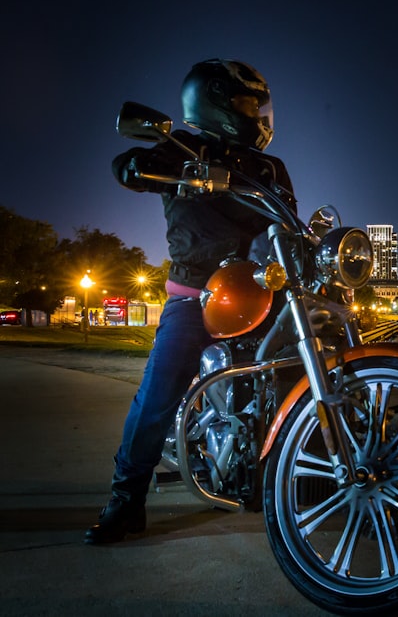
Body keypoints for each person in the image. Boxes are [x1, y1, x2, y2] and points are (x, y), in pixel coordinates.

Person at [85, 59, 295, 544]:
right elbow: (127, 167)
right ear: (216, 103)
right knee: (158, 395)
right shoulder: (183, 147)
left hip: (260, 292)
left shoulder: (271, 168)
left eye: (259, 106)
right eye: (248, 104)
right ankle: (126, 498)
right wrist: (134, 167)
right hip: (197, 297)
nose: (258, 116)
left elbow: (285, 228)